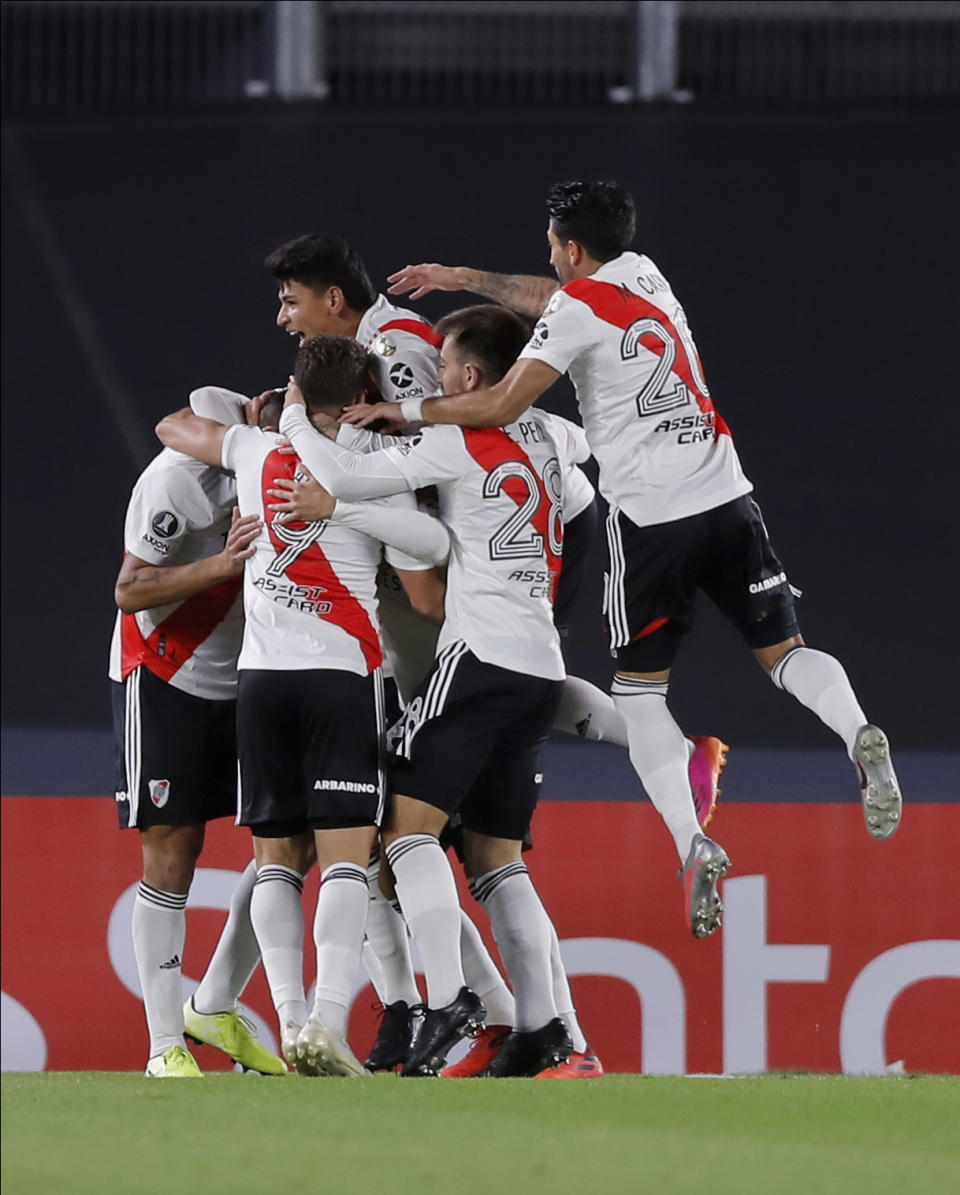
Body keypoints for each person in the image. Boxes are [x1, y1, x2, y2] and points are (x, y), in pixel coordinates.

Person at [347, 179, 903, 940]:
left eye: (553, 247)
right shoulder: (645, 274)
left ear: (572, 248)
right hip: (729, 493)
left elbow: (502, 403)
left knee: (641, 695)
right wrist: (465, 279)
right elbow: (550, 296)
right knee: (786, 651)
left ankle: (690, 840)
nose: (549, 261)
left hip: (652, 520)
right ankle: (858, 732)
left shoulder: (574, 312)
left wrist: (404, 409)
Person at [278, 345, 575, 1078]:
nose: (433, 381)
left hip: (478, 659)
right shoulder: (556, 435)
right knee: (496, 858)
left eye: (444, 367)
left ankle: (448, 999)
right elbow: (590, 511)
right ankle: (542, 1026)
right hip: (541, 660)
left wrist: (294, 420)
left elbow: (344, 476)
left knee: (402, 832)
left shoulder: (455, 437)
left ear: (473, 378)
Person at [156, 335, 449, 1077]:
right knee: (348, 857)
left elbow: (174, 426)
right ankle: (324, 1020)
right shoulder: (371, 469)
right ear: (360, 398)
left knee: (276, 860)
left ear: (295, 387)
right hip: (338, 676)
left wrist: (275, 419)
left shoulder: (253, 454)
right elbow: (432, 543)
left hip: (261, 681)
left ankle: (288, 1016)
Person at [109, 389, 286, 1078]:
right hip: (168, 675)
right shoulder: (178, 479)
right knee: (173, 854)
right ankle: (163, 1047)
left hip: (252, 675)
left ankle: (213, 1000)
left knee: (288, 838)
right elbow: (129, 587)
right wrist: (222, 564)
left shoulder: (296, 467)